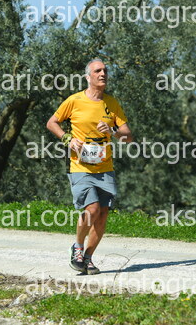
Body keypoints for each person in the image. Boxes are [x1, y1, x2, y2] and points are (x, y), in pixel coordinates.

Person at [46, 59, 133, 275]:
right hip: (80, 166)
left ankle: (87, 258)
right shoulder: (74, 100)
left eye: (105, 70)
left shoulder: (111, 103)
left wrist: (112, 131)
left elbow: (128, 136)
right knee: (91, 209)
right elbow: (51, 123)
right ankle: (77, 247)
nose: (103, 74)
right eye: (98, 71)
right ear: (88, 77)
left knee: (102, 215)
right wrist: (67, 139)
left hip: (105, 168)